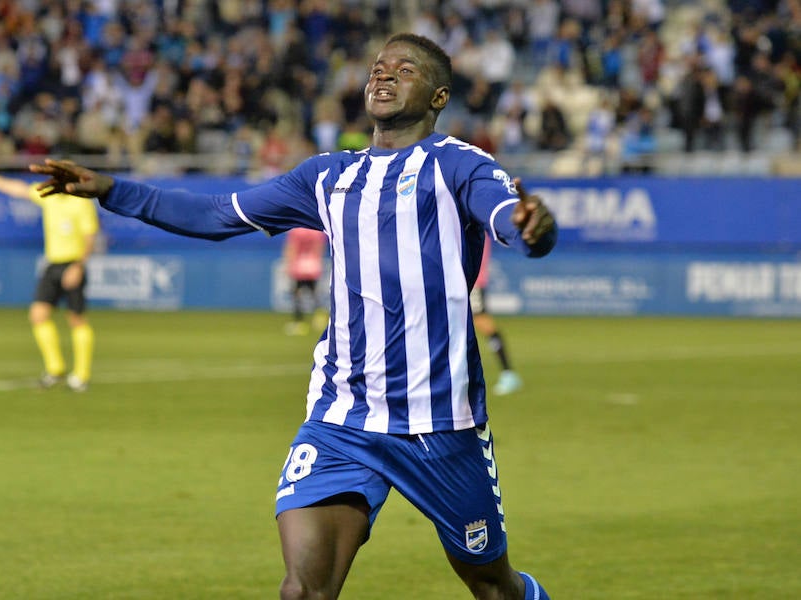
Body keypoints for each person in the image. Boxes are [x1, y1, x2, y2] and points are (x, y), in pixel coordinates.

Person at [30, 33, 557, 600]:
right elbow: (216, 215)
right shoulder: (327, 176)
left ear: (438, 96)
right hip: (342, 420)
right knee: (303, 591)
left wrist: (530, 229)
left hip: (441, 425)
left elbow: (508, 216)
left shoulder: (459, 165)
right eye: (378, 67)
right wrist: (113, 190)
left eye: (404, 70)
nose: (382, 76)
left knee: (493, 588)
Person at [0, 169, 99, 392]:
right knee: (38, 315)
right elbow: (20, 189)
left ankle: (81, 375)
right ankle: (55, 368)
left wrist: (78, 266)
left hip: (73, 264)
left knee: (76, 319)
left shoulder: (81, 204)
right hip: (52, 265)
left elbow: (90, 238)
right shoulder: (49, 197)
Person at [472, 233, 523, 395]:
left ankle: (508, 373)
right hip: (466, 277)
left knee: (482, 321)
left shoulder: (472, 218)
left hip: (472, 278)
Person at [283, 227, 328, 336]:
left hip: (299, 265)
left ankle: (299, 323)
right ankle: (320, 318)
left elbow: (291, 248)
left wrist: (288, 264)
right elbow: (320, 248)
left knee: (297, 294)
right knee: (314, 292)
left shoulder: (296, 230)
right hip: (313, 265)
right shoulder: (317, 230)